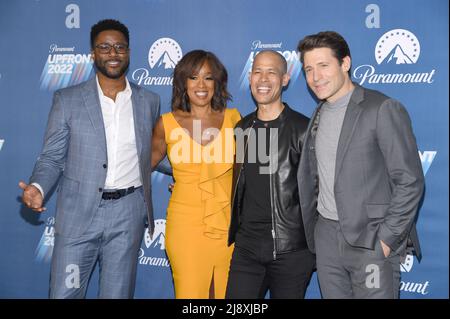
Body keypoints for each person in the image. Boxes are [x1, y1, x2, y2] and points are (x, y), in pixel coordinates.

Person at [18, 19, 165, 298]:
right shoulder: (67, 99)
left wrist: (194, 170)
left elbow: (158, 151)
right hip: (78, 215)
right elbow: (51, 156)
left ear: (129, 53)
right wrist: (37, 187)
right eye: (105, 47)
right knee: (65, 294)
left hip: (127, 214)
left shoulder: (149, 101)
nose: (113, 53)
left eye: (120, 47)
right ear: (93, 54)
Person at [297, 31, 425, 299]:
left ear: (345, 63)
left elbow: (409, 181)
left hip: (370, 242)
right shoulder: (318, 113)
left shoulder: (381, 108)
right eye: (308, 69)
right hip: (327, 240)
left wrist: (386, 240)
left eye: (323, 66)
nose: (315, 77)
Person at [151, 50, 241, 299]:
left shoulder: (235, 120)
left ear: (218, 83)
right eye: (193, 77)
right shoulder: (165, 123)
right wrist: (182, 179)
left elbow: (248, 172)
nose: (201, 85)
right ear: (183, 83)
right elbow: (139, 165)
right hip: (185, 226)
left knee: (225, 294)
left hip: (226, 225)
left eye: (208, 78)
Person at [225, 50, 315, 299]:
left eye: (271, 72)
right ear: (250, 77)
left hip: (291, 251)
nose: (262, 79)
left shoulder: (303, 129)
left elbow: (318, 192)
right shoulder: (243, 128)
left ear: (285, 79)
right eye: (257, 71)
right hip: (247, 248)